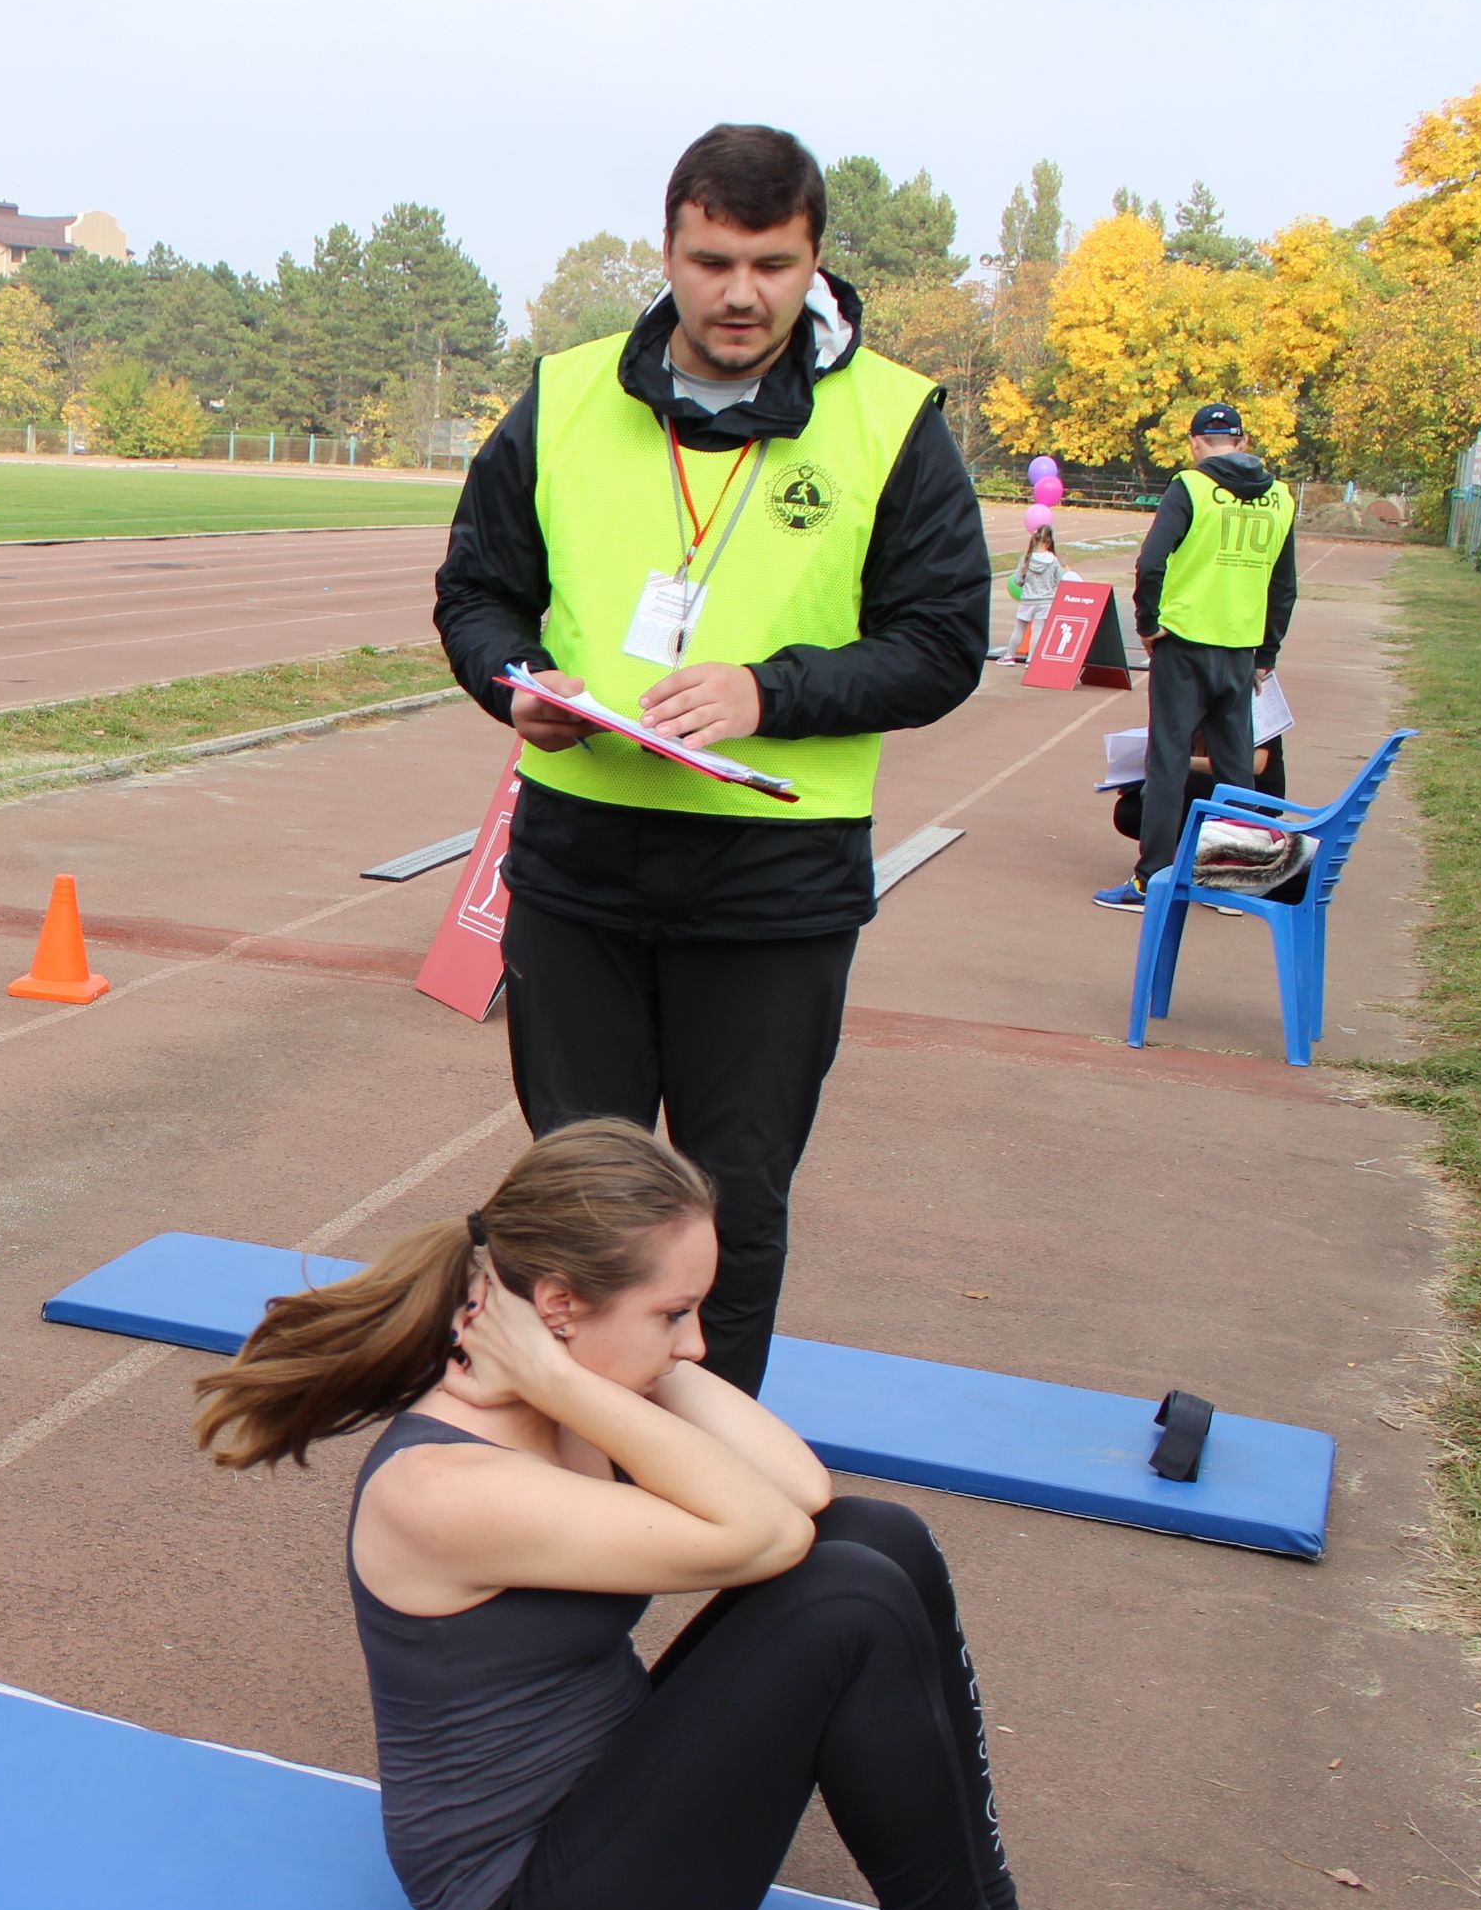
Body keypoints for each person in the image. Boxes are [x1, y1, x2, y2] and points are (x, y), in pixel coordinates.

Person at [192, 1121, 1214, 1910]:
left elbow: (807, 1497)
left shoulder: (578, 1397)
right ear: (556, 1310)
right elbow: (767, 1538)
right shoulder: (443, 1486)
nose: (696, 1345)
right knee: (846, 1606)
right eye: (674, 1315)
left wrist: (590, 1370)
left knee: (881, 1540)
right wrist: (574, 1381)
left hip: (606, 1828)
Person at [433, 124, 990, 1395]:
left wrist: (766, 691)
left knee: (726, 1204)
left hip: (773, 880)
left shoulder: (892, 422)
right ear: (669, 249)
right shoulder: (565, 396)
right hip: (580, 864)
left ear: (815, 262)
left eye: (774, 265)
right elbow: (477, 595)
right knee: (579, 1197)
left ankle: (692, 1478)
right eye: (713, 260)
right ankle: (549, 1452)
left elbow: (945, 645)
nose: (742, 294)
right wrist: (514, 685)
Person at [1096, 403, 1298, 911]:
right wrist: (1267, 650)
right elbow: (1285, 584)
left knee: (1166, 763)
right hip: (1240, 649)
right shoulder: (1280, 498)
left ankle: (1152, 881)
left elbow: (1151, 560)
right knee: (1237, 771)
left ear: (1194, 443)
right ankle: (1234, 885)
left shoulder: (1190, 486)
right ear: (1243, 441)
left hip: (1184, 644)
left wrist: (1147, 625)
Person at [1007, 523, 1061, 663]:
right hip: (1045, 600)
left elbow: (1018, 580)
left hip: (1028, 599)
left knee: (1019, 628)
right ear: (1049, 541)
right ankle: (1031, 660)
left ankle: (1009, 656)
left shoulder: (1026, 558)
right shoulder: (1054, 560)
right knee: (1038, 630)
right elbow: (1059, 580)